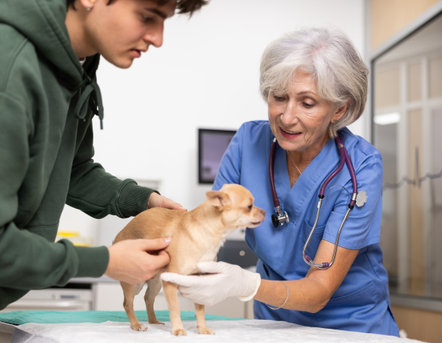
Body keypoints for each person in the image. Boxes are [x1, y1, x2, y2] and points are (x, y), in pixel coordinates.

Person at [161, 27, 400, 336]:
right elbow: (206, 227)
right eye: (279, 97)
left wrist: (246, 284)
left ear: (338, 109)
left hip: (351, 327)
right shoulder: (249, 142)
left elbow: (320, 289)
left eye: (308, 103)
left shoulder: (362, 167)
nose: (287, 117)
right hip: (272, 324)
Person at [0, 0, 207, 310]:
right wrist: (105, 261)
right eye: (147, 17)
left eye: (163, 21)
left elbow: (71, 170)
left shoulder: (75, 67)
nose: (158, 39)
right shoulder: (11, 69)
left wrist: (144, 201)